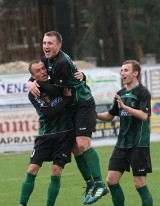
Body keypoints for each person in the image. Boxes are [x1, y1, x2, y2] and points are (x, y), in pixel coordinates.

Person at [27, 31, 108, 205]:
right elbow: (36, 72)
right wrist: (29, 81)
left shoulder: (62, 62)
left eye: (50, 43)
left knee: (82, 144)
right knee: (75, 148)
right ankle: (90, 184)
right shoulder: (47, 60)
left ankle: (100, 184)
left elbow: (57, 91)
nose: (46, 46)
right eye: (44, 43)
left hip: (82, 104)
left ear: (59, 46)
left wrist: (37, 83)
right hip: (72, 106)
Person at [97, 60, 153, 206]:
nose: (122, 73)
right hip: (122, 144)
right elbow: (109, 116)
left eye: (126, 70)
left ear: (135, 73)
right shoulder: (120, 94)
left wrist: (125, 107)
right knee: (111, 181)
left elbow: (143, 116)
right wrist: (94, 113)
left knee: (139, 184)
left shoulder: (143, 93)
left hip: (139, 144)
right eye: (121, 70)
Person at [20, 60, 76, 206]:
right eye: (38, 71)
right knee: (32, 169)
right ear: (32, 76)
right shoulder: (34, 93)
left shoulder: (58, 83)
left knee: (56, 171)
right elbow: (49, 113)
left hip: (65, 135)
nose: (43, 72)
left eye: (43, 68)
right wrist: (66, 99)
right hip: (45, 135)